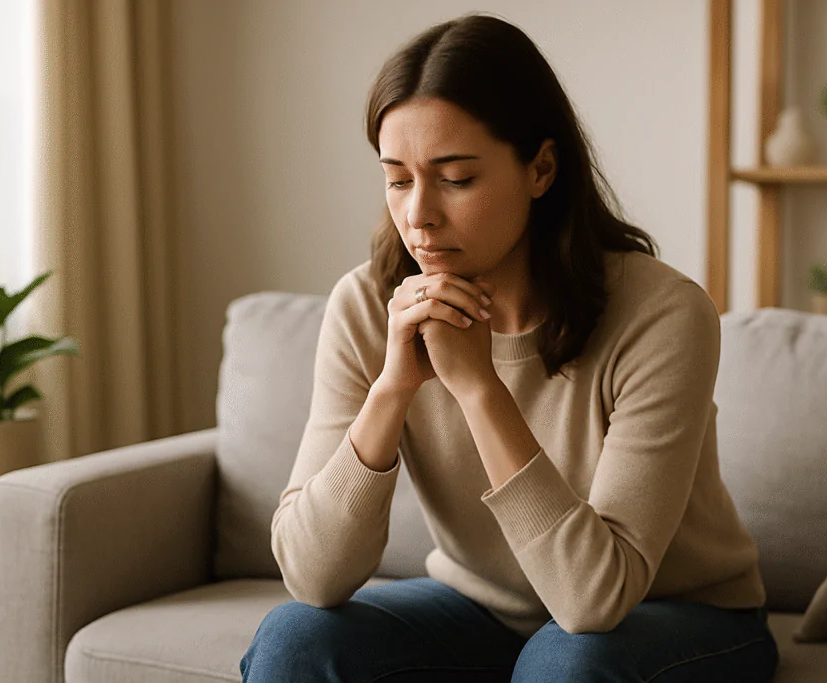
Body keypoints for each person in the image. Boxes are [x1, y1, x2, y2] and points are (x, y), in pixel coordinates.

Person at [241, 12, 779, 683]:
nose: (419, 215)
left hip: (677, 613)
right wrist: (392, 389)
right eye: (398, 178)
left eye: (456, 177)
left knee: (566, 660)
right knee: (294, 638)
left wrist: (477, 386)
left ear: (542, 169)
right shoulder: (367, 306)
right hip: (483, 609)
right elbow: (313, 578)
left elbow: (593, 598)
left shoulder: (662, 314)